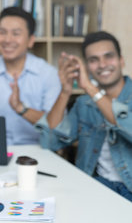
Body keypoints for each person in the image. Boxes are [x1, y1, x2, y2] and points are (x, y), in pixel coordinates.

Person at [37, 31, 132, 201]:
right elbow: (49, 142)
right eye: (93, 60)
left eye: (108, 56)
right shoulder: (84, 103)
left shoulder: (92, 93)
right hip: (95, 185)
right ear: (87, 67)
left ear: (121, 60)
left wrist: (89, 87)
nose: (102, 64)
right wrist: (65, 91)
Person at [0, 7, 61, 145]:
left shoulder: (48, 74)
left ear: (30, 40)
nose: (7, 40)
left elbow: (56, 126)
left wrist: (21, 109)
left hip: (37, 152)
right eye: (2, 32)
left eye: (16, 33)